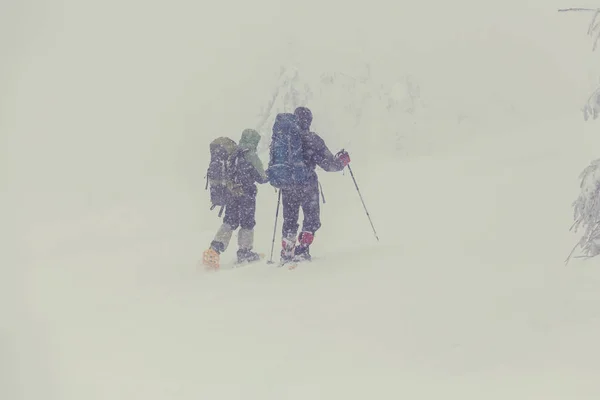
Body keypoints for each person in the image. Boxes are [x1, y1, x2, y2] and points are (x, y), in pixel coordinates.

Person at [280, 107, 351, 264]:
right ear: (309, 121)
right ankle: (302, 249)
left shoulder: (285, 139)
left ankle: (287, 250)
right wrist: (342, 161)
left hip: (287, 185)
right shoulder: (312, 139)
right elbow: (329, 165)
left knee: (290, 218)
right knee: (311, 219)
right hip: (307, 184)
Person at [203, 128, 269, 269]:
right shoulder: (251, 155)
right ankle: (244, 252)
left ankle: (214, 249)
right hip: (247, 196)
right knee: (247, 222)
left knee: (230, 221)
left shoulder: (233, 153)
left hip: (231, 194)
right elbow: (262, 177)